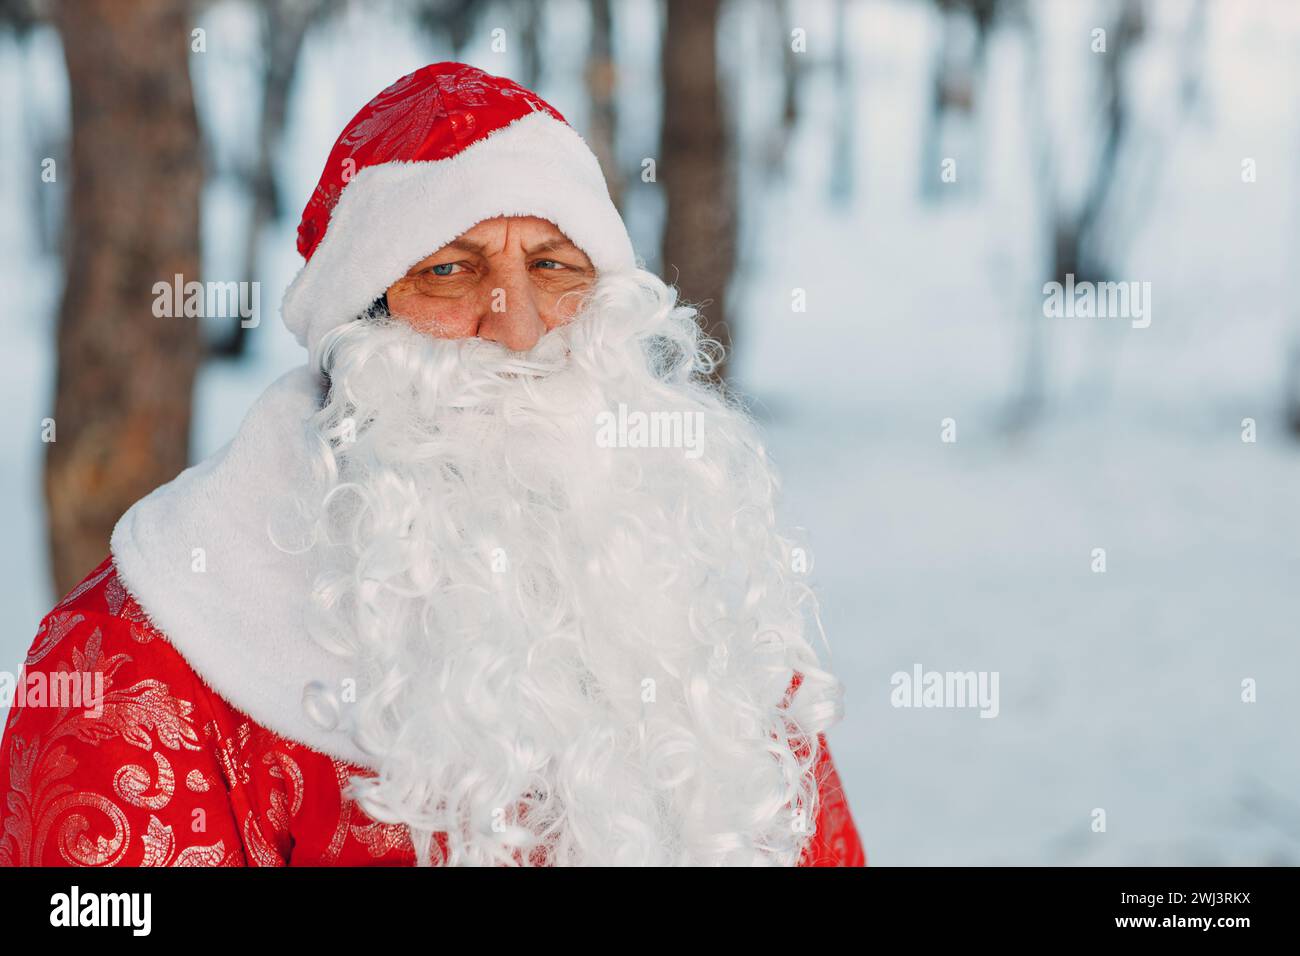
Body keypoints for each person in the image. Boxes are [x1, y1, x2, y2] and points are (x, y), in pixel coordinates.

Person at [0, 62, 865, 867]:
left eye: (554, 266)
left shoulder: (696, 616)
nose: (518, 328)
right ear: (359, 328)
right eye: (451, 271)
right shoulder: (143, 654)